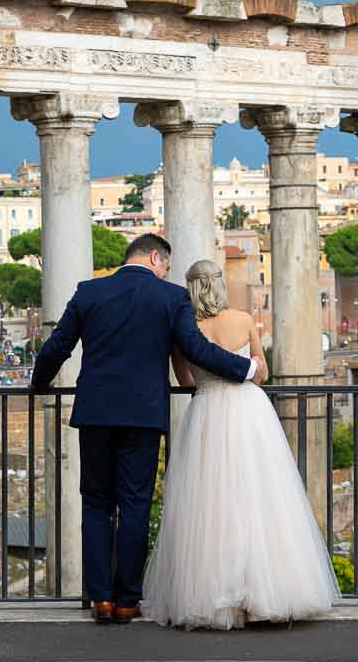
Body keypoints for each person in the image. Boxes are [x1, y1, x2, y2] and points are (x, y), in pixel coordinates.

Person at [30, 235, 260, 626]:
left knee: (96, 504)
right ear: (156, 257)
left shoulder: (89, 292)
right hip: (143, 414)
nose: (165, 272)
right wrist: (246, 368)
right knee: (135, 505)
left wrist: (39, 385)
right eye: (165, 265)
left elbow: (56, 348)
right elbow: (196, 349)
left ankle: (100, 598)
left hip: (97, 413)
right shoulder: (171, 298)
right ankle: (126, 601)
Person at [141, 259, 340, 630]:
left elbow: (185, 380)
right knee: (259, 498)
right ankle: (264, 592)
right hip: (249, 412)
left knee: (210, 504)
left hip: (207, 414)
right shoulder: (244, 320)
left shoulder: (184, 331)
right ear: (219, 285)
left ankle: (216, 597)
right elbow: (262, 372)